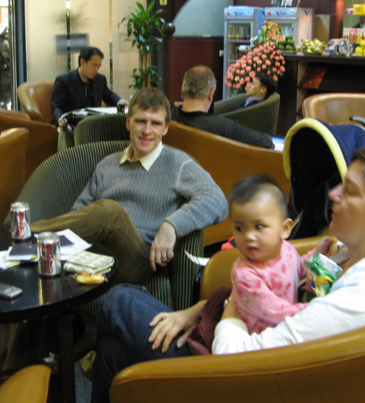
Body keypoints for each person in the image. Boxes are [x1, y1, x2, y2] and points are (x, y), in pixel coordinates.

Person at [89, 145, 365, 403]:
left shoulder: (362, 300)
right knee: (112, 352)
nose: (333, 194)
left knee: (119, 299)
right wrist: (199, 309)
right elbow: (290, 288)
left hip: (241, 391)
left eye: (349, 191)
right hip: (256, 363)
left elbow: (234, 361)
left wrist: (229, 309)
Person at [30, 87, 227, 284]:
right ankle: (36, 249)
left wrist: (171, 226)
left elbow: (217, 200)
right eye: (141, 121)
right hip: (96, 253)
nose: (147, 131)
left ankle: (28, 238)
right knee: (105, 213)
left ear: (165, 129)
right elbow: (79, 213)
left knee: (111, 211)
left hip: (138, 259)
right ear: (128, 122)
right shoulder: (107, 164)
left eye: (156, 124)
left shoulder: (178, 164)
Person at [227, 174, 333, 334]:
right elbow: (275, 311)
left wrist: (317, 253)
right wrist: (314, 308)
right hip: (264, 339)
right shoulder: (244, 274)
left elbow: (299, 269)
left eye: (259, 226)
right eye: (240, 228)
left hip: (289, 323)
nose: (248, 236)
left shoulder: (286, 249)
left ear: (284, 229)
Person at [171, 65, 274, 149]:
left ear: (182, 91)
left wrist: (175, 104)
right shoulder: (223, 126)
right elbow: (266, 142)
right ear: (210, 94)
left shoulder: (166, 116)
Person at [50, 46, 123, 130]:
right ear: (82, 62)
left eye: (99, 66)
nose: (96, 70)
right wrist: (60, 118)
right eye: (94, 65)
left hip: (93, 123)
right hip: (71, 124)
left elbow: (108, 95)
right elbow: (56, 106)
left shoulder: (99, 79)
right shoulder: (64, 80)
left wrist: (120, 101)